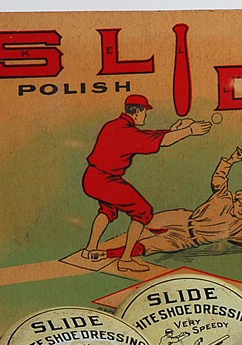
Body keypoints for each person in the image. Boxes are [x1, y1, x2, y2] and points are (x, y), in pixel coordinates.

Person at [82, 94, 211, 272]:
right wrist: (189, 131)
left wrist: (173, 130)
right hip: (107, 181)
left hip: (91, 178)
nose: (145, 116)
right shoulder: (126, 132)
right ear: (137, 111)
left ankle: (89, 249)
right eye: (144, 112)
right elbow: (154, 141)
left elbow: (146, 136)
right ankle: (126, 259)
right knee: (143, 212)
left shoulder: (114, 125)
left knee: (108, 210)